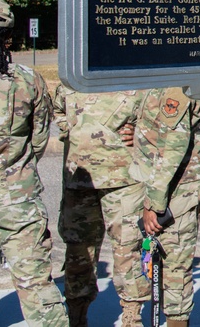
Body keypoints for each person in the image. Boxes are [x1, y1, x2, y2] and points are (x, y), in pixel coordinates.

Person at [0, 0, 67, 326]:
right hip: (15, 197)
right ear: (8, 38)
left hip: (13, 196)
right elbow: (38, 141)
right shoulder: (28, 80)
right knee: (37, 289)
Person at [53, 86, 150, 326]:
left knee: (128, 248)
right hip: (80, 181)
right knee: (78, 252)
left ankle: (132, 316)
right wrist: (76, 134)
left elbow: (154, 114)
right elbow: (58, 110)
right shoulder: (73, 77)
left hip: (124, 179)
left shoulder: (131, 73)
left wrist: (140, 134)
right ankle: (77, 315)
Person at [130, 87, 200, 327]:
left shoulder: (178, 86)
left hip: (175, 191)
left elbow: (172, 148)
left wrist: (153, 204)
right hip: (160, 186)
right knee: (160, 268)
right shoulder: (162, 77)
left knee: (175, 273)